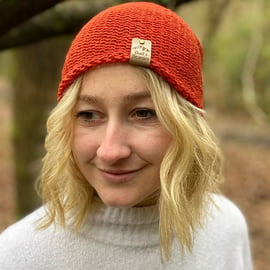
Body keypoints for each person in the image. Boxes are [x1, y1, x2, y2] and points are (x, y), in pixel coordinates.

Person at [0, 2, 253, 269]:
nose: (110, 151)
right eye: (89, 115)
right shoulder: (19, 255)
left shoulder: (226, 229)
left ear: (189, 125)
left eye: (143, 113)